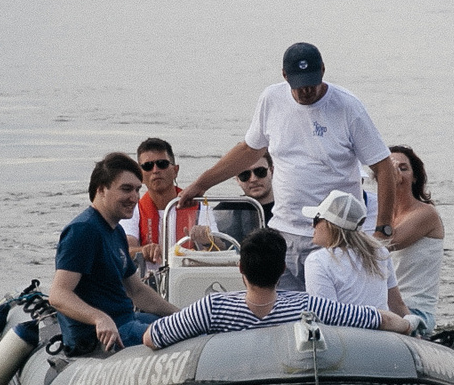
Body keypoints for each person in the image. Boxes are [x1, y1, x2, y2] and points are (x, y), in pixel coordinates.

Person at [185, 42, 399, 291]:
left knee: (330, 316)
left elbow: (383, 167)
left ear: (323, 70)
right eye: (299, 84)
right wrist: (201, 184)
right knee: (280, 312)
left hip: (334, 237)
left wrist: (383, 229)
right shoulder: (271, 99)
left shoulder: (348, 107)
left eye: (312, 82)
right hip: (283, 232)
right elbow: (248, 150)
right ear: (285, 76)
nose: (306, 90)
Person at [144, 228, 415, 348]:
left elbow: (152, 337)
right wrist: (408, 325)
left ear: (240, 269)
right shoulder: (308, 307)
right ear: (283, 271)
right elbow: (375, 317)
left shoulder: (212, 308)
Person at [49, 152, 173, 355]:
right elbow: (58, 295)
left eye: (137, 190)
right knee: (178, 336)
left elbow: (136, 291)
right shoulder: (83, 230)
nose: (134, 197)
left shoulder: (116, 231)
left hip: (126, 320)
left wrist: (182, 315)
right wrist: (99, 318)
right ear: (101, 190)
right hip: (102, 336)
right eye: (126, 189)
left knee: (182, 326)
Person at [301, 189, 398, 320]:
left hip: (346, 337)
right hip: (383, 332)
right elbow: (397, 304)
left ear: (330, 225)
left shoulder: (317, 261)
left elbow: (325, 317)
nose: (313, 225)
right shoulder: (379, 252)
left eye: (316, 219)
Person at [383, 145, 446, 336]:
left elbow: (383, 245)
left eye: (403, 168)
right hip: (382, 304)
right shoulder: (377, 215)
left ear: (415, 177)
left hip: (415, 311)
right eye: (390, 169)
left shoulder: (426, 214)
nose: (397, 174)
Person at [127, 137, 199, 269]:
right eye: (148, 166)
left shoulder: (199, 205)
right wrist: (142, 250)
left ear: (175, 170)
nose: (155, 170)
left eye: (162, 164)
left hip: (188, 279)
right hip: (149, 282)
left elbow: (219, 246)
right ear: (141, 175)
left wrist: (205, 239)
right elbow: (126, 248)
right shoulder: (131, 209)